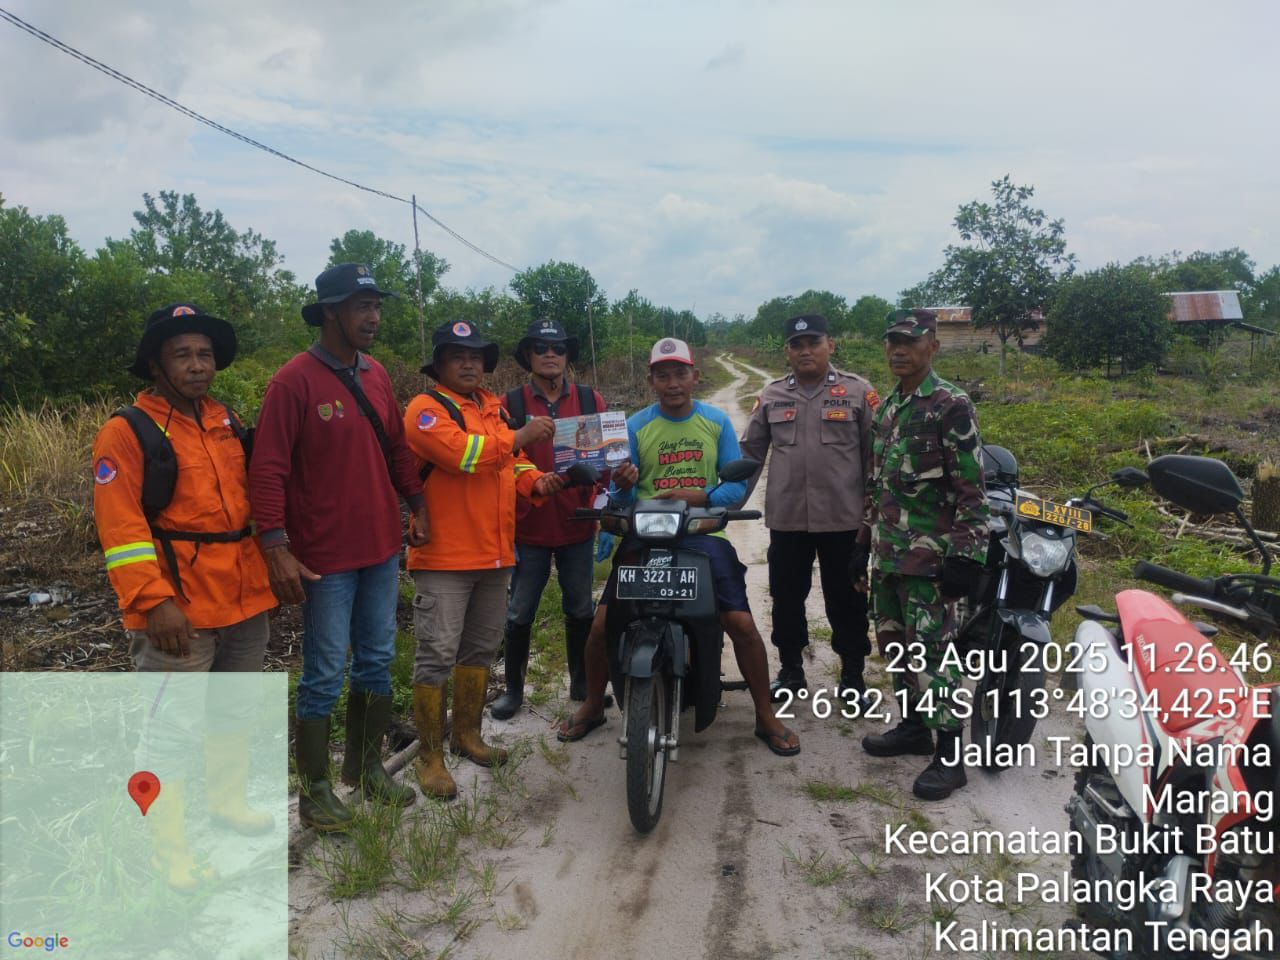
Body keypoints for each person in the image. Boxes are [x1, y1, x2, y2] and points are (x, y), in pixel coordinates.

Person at [91, 301, 278, 888]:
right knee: (168, 734)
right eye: (182, 355)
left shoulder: (226, 421)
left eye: (205, 354)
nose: (198, 365)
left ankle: (228, 804)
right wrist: (154, 602)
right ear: (156, 364)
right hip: (179, 608)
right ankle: (167, 850)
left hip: (244, 596)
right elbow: (120, 527)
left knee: (234, 709)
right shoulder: (127, 431)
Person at [557, 338, 800, 757]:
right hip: (646, 533)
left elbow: (735, 486)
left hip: (702, 533)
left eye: (680, 374)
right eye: (663, 375)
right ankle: (594, 704)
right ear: (651, 380)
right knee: (601, 627)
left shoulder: (715, 422)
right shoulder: (634, 426)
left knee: (740, 623)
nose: (672, 383)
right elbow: (619, 491)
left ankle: (765, 714)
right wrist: (623, 485)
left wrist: (700, 496)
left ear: (695, 376)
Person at [249, 263, 427, 831]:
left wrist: (417, 504)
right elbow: (268, 470)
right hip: (324, 558)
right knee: (325, 670)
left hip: (380, 547)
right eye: (361, 306)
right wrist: (275, 545)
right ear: (330, 312)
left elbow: (397, 448)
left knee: (377, 659)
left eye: (377, 306)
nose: (373, 317)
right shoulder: (292, 382)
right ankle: (316, 792)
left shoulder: (376, 375)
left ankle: (366, 767)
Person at [403, 320, 566, 799]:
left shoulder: (492, 408)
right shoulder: (426, 410)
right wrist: (519, 436)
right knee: (436, 656)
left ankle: (467, 735)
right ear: (439, 365)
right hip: (444, 559)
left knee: (478, 651)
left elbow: (510, 463)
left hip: (495, 555)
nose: (469, 364)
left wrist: (535, 481)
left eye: (476, 356)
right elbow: (464, 455)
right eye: (458, 356)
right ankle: (430, 757)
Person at [859, 309, 989, 801]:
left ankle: (950, 759)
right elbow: (877, 485)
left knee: (934, 656)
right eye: (893, 341)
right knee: (895, 646)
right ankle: (914, 728)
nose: (899, 350)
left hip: (932, 561)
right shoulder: (888, 407)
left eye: (910, 342)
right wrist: (861, 542)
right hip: (889, 556)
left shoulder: (950, 405)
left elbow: (971, 488)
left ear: (932, 345)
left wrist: (966, 557)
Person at [739, 313, 878, 708]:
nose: (805, 351)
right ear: (787, 351)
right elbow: (749, 455)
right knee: (786, 598)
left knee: (847, 600)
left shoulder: (858, 392)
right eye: (796, 345)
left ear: (830, 345)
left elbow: (876, 459)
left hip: (843, 521)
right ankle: (791, 671)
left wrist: (873, 520)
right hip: (789, 521)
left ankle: (852, 676)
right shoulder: (772, 396)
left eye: (813, 343)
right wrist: (723, 505)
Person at [490, 318, 608, 720]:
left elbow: (604, 459)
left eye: (558, 348)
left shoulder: (590, 400)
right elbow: (502, 460)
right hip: (529, 526)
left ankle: (582, 682)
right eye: (540, 348)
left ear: (568, 355)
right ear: (528, 356)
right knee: (519, 610)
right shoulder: (509, 405)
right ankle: (513, 691)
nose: (550, 355)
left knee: (580, 606)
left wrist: (609, 489)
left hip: (578, 522)